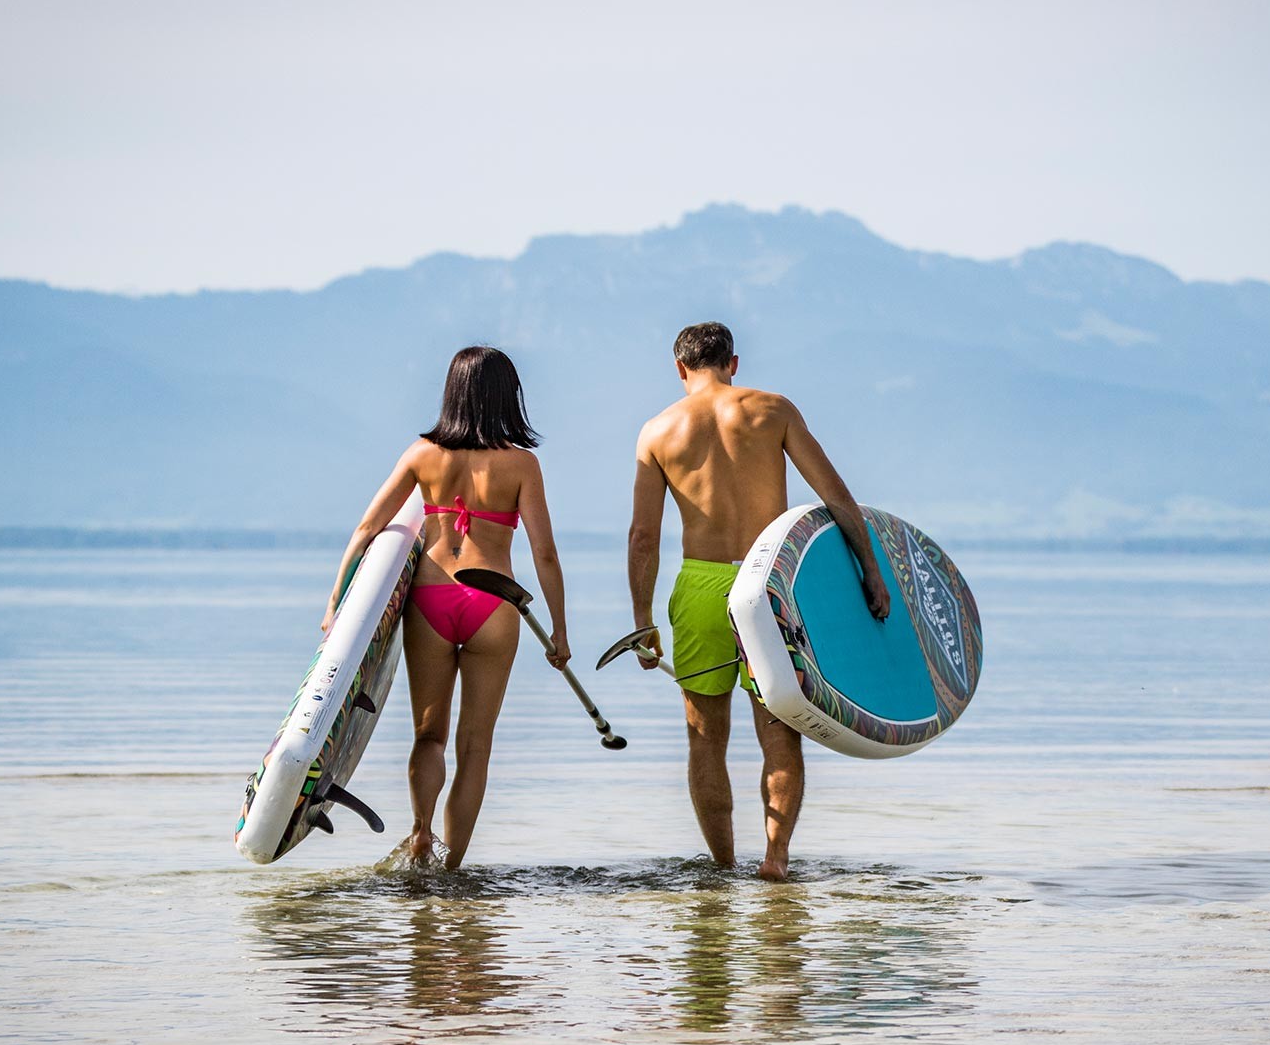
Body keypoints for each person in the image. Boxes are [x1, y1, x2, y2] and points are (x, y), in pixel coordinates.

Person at [627, 322, 889, 880]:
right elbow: (836, 497)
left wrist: (641, 620)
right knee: (780, 728)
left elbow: (642, 538)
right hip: (769, 582)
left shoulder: (657, 432)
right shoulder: (775, 410)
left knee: (705, 738)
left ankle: (723, 868)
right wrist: (871, 569)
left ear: (679, 370)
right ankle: (775, 862)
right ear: (734, 363)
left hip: (700, 586)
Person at [323, 346, 569, 870]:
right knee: (474, 746)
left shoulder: (421, 455)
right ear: (509, 397)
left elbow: (368, 530)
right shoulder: (522, 463)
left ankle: (420, 832)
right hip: (494, 602)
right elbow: (544, 553)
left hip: (431, 598)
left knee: (427, 735)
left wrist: (335, 604)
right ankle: (451, 869)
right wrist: (560, 631)